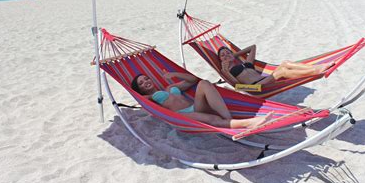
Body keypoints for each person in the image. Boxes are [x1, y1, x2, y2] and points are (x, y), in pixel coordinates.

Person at [131, 71, 273, 129]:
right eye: (141, 84)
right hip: (182, 115)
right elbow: (141, 101)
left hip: (195, 106)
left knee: (204, 83)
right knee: (212, 119)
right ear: (141, 89)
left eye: (146, 79)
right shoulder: (148, 97)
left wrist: (173, 74)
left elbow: (192, 80)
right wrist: (141, 94)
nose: (145, 82)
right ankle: (249, 122)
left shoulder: (170, 87)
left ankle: (228, 119)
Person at [218, 45, 334, 86]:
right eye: (223, 55)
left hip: (265, 79)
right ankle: (316, 71)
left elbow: (252, 47)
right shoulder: (226, 70)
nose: (226, 55)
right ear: (220, 60)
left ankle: (315, 68)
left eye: (227, 52)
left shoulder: (246, 64)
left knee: (284, 63)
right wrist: (226, 71)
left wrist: (234, 55)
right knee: (282, 71)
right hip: (256, 86)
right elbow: (237, 86)